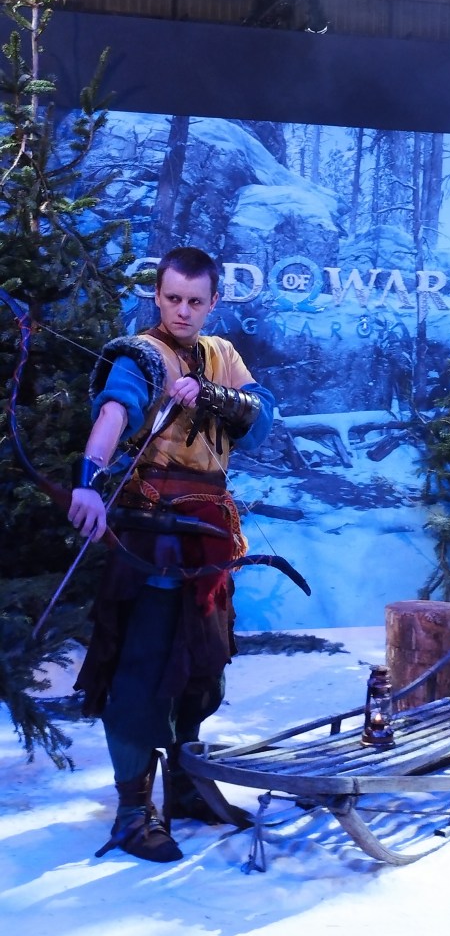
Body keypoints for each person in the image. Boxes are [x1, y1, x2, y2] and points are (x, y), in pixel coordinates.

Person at [68, 246, 276, 863]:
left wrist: (210, 394)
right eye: (173, 298)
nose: (183, 311)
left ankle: (184, 785)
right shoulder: (141, 354)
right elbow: (116, 410)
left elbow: (262, 421)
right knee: (144, 671)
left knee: (201, 668)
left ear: (213, 302)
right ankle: (133, 812)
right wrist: (89, 478)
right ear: (158, 296)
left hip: (208, 534)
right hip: (153, 535)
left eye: (195, 301)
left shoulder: (221, 354)